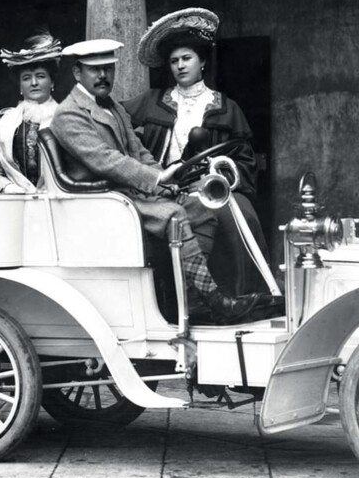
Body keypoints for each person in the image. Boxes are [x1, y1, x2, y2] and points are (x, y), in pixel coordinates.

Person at [50, 39, 282, 325]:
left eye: (108, 68)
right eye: (94, 69)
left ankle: (193, 298)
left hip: (132, 194)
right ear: (77, 73)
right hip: (105, 199)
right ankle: (214, 300)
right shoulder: (69, 113)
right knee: (174, 214)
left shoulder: (113, 107)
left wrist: (164, 182)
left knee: (202, 209)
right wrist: (156, 178)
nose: (103, 75)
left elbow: (138, 151)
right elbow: (105, 160)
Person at [124, 7, 271, 296]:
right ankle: (186, 298)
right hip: (165, 188)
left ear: (201, 61)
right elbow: (115, 122)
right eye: (174, 61)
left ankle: (234, 296)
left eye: (186, 58)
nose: (180, 66)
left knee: (240, 215)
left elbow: (245, 161)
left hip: (212, 188)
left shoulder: (226, 108)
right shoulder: (151, 101)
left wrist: (217, 176)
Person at [0, 31, 62, 193]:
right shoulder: (3, 123)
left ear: (52, 82)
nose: (34, 83)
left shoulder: (69, 118)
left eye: (40, 76)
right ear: (19, 86)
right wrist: (7, 187)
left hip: (59, 201)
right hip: (14, 202)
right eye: (26, 78)